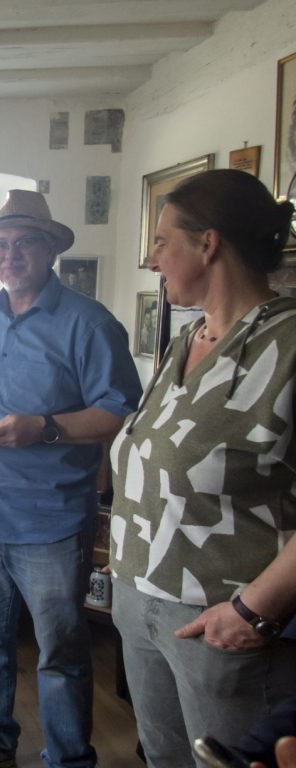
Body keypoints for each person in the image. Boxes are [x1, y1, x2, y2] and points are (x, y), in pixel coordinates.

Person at [0, 190, 142, 768]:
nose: (10, 255)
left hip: (48, 518)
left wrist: (45, 428)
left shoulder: (89, 322)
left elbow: (119, 410)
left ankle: (69, 759)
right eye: (0, 245)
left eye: (24, 242)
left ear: (50, 249)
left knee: (61, 651)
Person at [109, 169, 296, 767]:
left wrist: (252, 612)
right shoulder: (187, 338)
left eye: (162, 241)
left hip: (223, 620)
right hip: (141, 603)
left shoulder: (288, 343)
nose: (152, 258)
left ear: (208, 243)